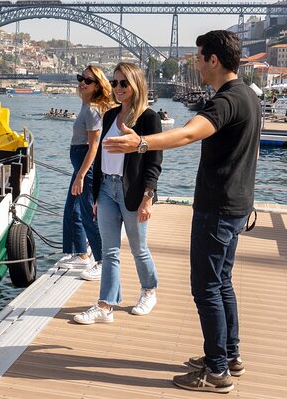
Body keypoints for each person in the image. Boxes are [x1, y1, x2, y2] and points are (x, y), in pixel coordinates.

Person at [103, 30, 260, 393]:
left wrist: (140, 143)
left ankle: (217, 372)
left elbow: (189, 133)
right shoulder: (249, 97)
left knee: (206, 289)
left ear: (214, 60)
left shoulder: (225, 101)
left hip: (217, 209)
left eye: (198, 57)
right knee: (222, 283)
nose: (196, 63)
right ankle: (228, 356)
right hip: (236, 207)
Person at [73, 62, 162, 325]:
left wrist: (149, 196)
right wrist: (98, 195)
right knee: (110, 250)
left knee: (138, 248)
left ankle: (149, 290)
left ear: (136, 84)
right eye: (115, 83)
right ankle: (105, 305)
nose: (118, 88)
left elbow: (154, 161)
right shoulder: (110, 115)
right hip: (107, 190)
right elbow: (100, 156)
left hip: (132, 191)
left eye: (124, 83)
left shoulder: (148, 117)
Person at [58, 66, 113, 280]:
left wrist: (82, 174)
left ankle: (102, 261)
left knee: (89, 211)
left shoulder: (92, 110)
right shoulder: (86, 105)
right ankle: (81, 254)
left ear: (98, 85)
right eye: (81, 78)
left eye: (88, 81)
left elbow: (94, 146)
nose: (82, 83)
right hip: (80, 162)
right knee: (73, 207)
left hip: (85, 163)